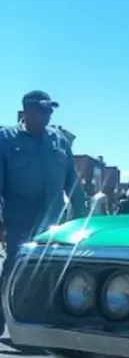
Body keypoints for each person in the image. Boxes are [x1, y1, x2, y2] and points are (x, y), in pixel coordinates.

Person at [0, 90, 78, 334]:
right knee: (15, 268)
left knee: (52, 269)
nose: (48, 114)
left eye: (50, 110)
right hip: (19, 220)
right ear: (28, 110)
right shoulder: (5, 138)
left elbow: (73, 182)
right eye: (43, 109)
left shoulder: (59, 140)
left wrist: (84, 219)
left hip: (53, 222)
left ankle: (43, 322)